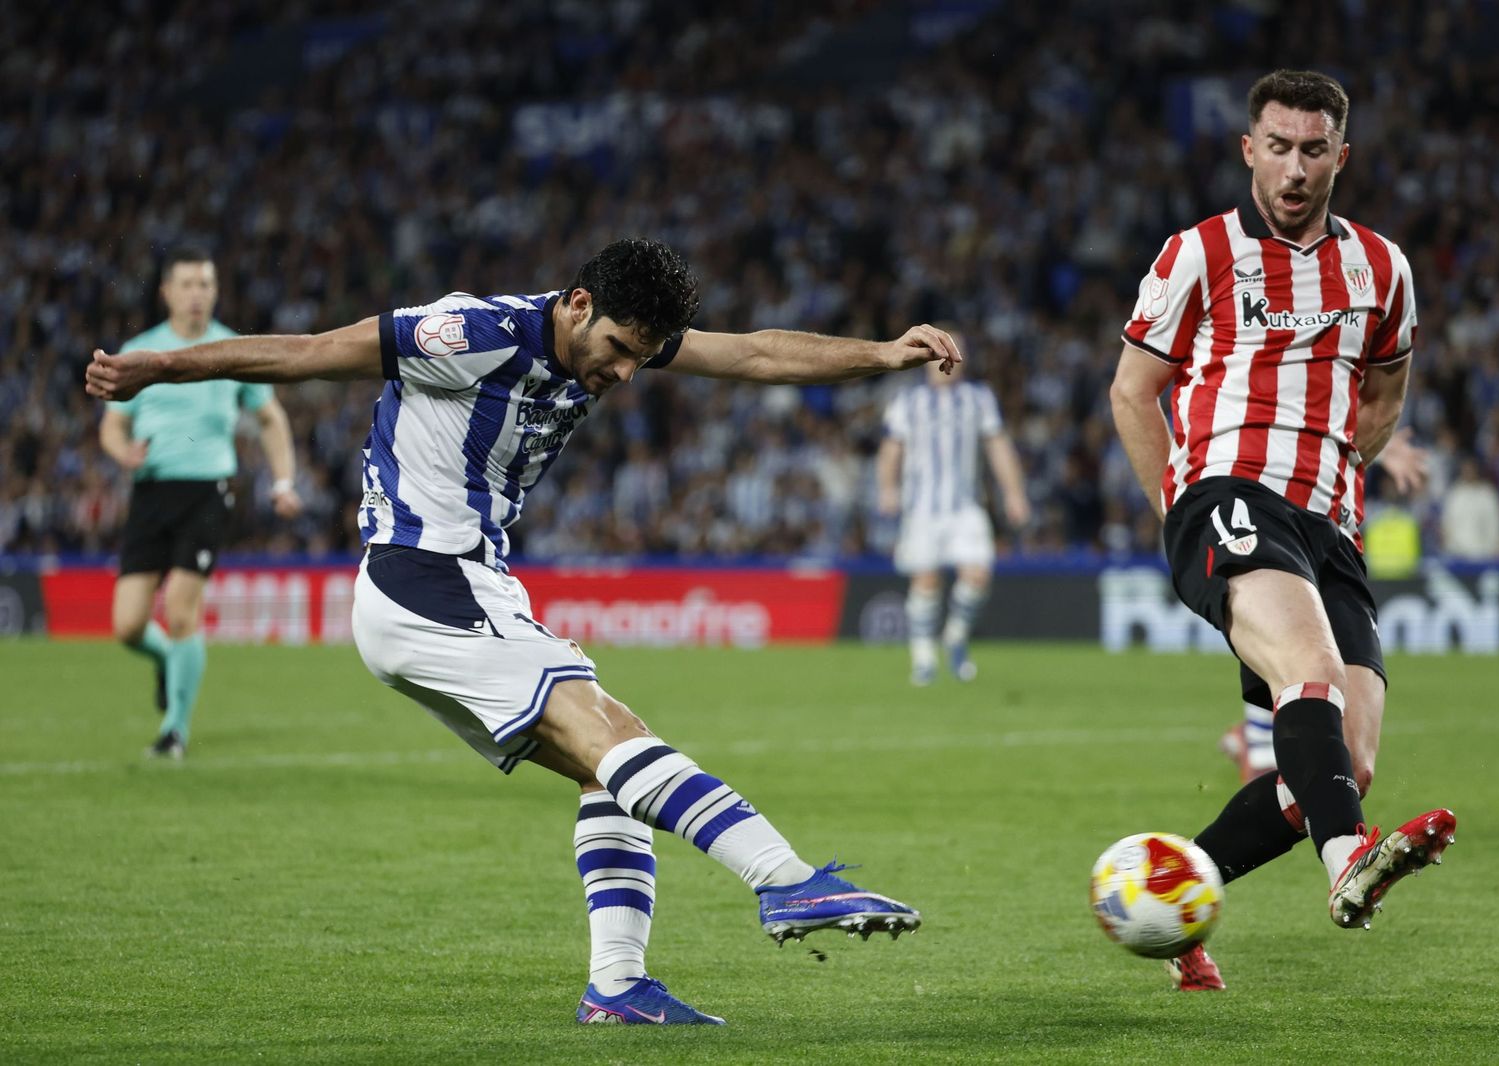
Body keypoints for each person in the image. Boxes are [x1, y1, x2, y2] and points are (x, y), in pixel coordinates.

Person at [87, 238, 946, 1025]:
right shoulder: (471, 331)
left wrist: (882, 353)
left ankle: (617, 985)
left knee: (614, 764)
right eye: (615, 351)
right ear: (576, 305)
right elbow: (310, 353)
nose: (621, 374)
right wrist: (159, 367)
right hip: (427, 580)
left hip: (457, 589)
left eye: (641, 361)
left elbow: (757, 352)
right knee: (610, 737)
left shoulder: (620, 335)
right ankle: (785, 879)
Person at [1109, 71, 1456, 992]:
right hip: (1230, 494)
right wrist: (1178, 510)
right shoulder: (1200, 253)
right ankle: (1349, 865)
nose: (1294, 168)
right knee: (1312, 675)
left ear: (1340, 158)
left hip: (1330, 525)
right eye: (1278, 147)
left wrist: (1344, 465)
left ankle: (1173, 901)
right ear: (1248, 150)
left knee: (1344, 765)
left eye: (1314, 151)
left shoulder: (1382, 268)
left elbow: (1384, 393)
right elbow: (1132, 391)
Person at [98, 248, 302, 760]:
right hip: (151, 492)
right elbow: (112, 423)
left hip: (208, 489)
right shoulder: (141, 351)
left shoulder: (231, 349)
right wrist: (123, 452)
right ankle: (171, 660)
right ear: (166, 292)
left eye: (206, 285)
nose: (197, 294)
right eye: (187, 284)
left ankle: (174, 731)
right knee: (127, 624)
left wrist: (283, 481)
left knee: (182, 610)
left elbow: (271, 418)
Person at [1219, 429, 1431, 782]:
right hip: (1268, 513)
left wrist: (1382, 443)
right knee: (1287, 631)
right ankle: (1257, 732)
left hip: (1334, 531)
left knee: (1352, 766)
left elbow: (1341, 410)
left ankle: (1257, 732)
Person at [875, 341, 1030, 684]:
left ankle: (955, 638)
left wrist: (1014, 493)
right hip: (921, 508)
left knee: (977, 574)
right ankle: (923, 657)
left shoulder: (979, 398)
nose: (945, 362)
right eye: (938, 356)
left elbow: (998, 446)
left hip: (964, 506)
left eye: (953, 355)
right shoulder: (907, 401)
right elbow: (890, 450)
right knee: (926, 579)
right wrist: (887, 489)